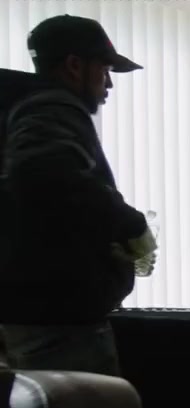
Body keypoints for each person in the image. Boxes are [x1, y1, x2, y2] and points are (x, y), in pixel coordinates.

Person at [0, 15, 157, 376]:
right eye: (105, 69)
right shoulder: (52, 108)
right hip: (58, 323)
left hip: (21, 314)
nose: (109, 84)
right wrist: (131, 226)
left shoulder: (14, 112)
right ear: (74, 65)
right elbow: (42, 170)